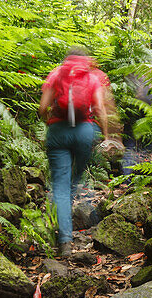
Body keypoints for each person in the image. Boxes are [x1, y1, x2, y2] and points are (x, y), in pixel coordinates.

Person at [39, 48, 118, 257]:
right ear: (86, 61)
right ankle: (71, 189)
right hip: (84, 132)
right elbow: (100, 109)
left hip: (58, 131)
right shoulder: (92, 77)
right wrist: (106, 135)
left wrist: (49, 122)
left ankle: (65, 240)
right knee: (75, 177)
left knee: (61, 185)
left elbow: (42, 107)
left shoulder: (56, 74)